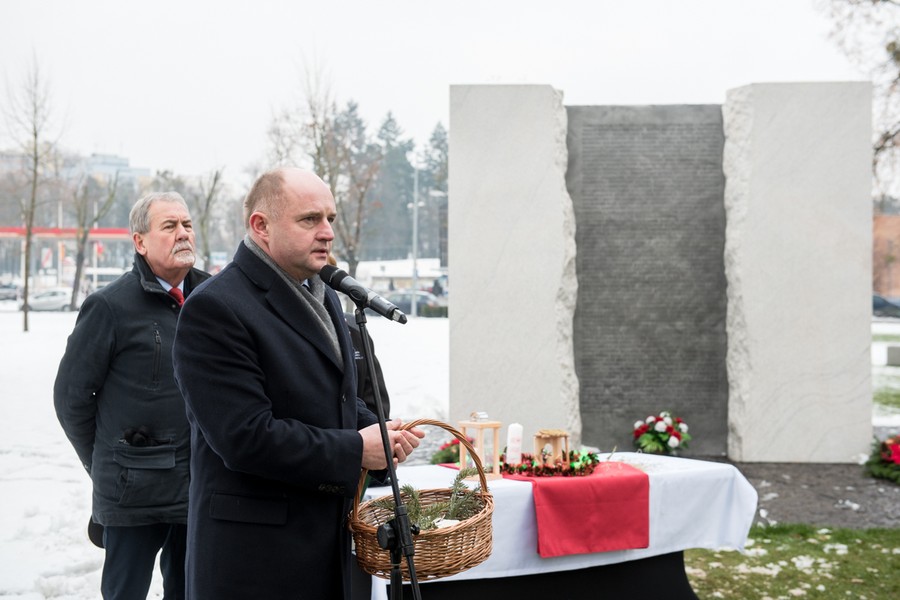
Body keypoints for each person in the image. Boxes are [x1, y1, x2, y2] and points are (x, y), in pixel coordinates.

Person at [171, 167, 424, 599]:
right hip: (255, 565)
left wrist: (380, 433)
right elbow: (244, 437)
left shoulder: (322, 295)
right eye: (310, 219)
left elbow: (334, 397)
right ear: (261, 226)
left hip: (325, 552)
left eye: (331, 218)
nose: (327, 232)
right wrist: (356, 449)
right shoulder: (216, 307)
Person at [54, 192, 210, 600]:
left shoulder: (214, 298)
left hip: (200, 488)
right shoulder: (109, 306)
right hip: (132, 493)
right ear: (140, 242)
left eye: (187, 225)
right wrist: (107, 460)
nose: (183, 234)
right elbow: (71, 400)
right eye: (169, 226)